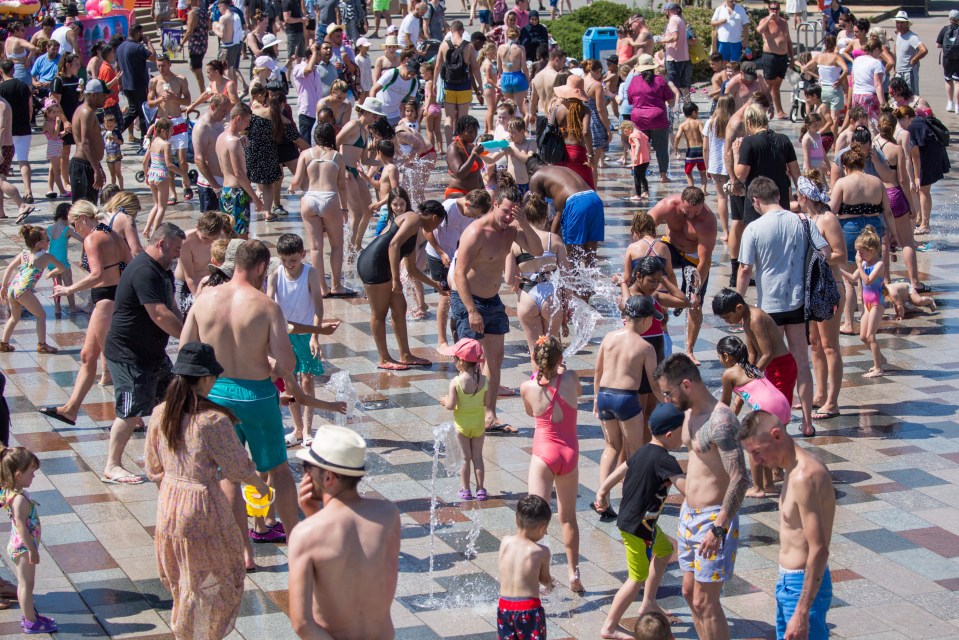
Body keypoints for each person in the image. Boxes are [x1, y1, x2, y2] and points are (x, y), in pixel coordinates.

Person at [181, 240, 303, 570]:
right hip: (257, 396)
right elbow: (287, 363)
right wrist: (269, 363)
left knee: (228, 474)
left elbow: (185, 349)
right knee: (277, 468)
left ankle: (244, 553)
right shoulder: (265, 306)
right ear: (262, 267)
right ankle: (295, 546)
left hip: (216, 394)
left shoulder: (204, 300)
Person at [144, 342, 270, 640]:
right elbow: (239, 468)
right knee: (224, 577)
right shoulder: (213, 420)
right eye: (213, 375)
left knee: (183, 581)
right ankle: (197, 635)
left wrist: (174, 490)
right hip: (202, 505)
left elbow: (152, 467)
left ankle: (185, 632)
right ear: (203, 379)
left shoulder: (160, 413)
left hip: (169, 504)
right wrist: (262, 487)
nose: (215, 380)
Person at [653, 353, 749, 640]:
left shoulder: (721, 421)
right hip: (688, 516)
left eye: (668, 393)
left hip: (713, 520)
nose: (666, 399)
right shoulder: (689, 414)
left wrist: (719, 527)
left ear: (686, 385)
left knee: (706, 601)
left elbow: (741, 478)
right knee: (689, 593)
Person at [737, 178, 830, 437]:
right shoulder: (802, 221)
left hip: (769, 306)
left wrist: (738, 300)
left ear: (755, 200)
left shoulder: (753, 229)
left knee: (771, 364)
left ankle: (773, 419)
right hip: (799, 301)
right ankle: (808, 422)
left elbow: (745, 269)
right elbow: (825, 251)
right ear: (779, 195)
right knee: (801, 361)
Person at [288, 426, 401, 639]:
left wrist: (312, 518)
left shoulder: (306, 534)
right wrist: (315, 515)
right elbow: (359, 576)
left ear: (328, 477)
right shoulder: (388, 516)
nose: (304, 474)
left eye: (307, 467)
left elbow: (302, 623)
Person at [738, 410, 835, 640]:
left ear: (777, 435)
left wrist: (802, 610)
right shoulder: (792, 471)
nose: (757, 461)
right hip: (788, 583)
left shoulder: (804, 476)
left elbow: (819, 548)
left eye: (757, 452)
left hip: (802, 584)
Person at [594, 402, 687, 640]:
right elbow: (686, 489)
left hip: (642, 522)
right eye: (683, 430)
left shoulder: (644, 450)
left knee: (665, 551)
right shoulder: (667, 461)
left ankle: (648, 603)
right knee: (636, 578)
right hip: (637, 529)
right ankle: (610, 627)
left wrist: (602, 490)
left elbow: (621, 469)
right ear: (670, 434)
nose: (685, 436)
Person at [453, 184, 542, 432]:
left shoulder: (511, 231)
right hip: (469, 300)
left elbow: (537, 250)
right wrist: (471, 310)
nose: (507, 217)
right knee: (469, 362)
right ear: (495, 205)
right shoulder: (477, 232)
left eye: (513, 213)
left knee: (495, 359)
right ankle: (467, 416)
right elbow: (459, 273)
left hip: (492, 301)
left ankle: (490, 415)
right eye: (505, 211)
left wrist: (523, 223)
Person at [102, 224, 185, 485]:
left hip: (152, 354)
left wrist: (188, 329)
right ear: (161, 244)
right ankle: (112, 465)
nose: (178, 256)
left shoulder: (163, 270)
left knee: (174, 398)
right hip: (128, 355)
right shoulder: (143, 271)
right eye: (176, 250)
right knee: (130, 412)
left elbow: (171, 305)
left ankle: (170, 453)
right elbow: (158, 313)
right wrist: (187, 338)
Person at [41, 202, 132, 427]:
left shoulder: (92, 239)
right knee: (87, 356)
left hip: (105, 301)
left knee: (115, 360)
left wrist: (69, 289)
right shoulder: (113, 234)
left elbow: (96, 274)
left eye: (74, 224)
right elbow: (129, 265)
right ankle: (70, 410)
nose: (75, 229)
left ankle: (133, 416)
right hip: (115, 296)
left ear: (82, 218)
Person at [521, 335, 584, 593]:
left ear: (534, 358)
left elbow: (529, 412)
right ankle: (573, 573)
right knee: (568, 518)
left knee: (536, 518)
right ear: (561, 359)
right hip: (569, 453)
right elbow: (577, 394)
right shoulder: (571, 379)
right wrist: (562, 372)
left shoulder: (527, 387)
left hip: (543, 455)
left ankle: (536, 574)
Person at [357, 195, 446, 370]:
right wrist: (396, 279)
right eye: (438, 225)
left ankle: (405, 354)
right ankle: (384, 359)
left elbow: (412, 269)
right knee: (379, 313)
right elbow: (393, 245)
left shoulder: (416, 230)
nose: (436, 229)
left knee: (400, 308)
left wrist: (436, 285)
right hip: (373, 264)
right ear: (435, 218)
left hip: (383, 267)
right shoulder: (413, 218)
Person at [592, 295, 663, 511]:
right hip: (627, 398)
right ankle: (630, 498)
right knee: (635, 452)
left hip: (605, 395)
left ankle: (601, 500)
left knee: (611, 447)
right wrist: (668, 402)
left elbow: (598, 371)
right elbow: (653, 383)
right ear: (644, 319)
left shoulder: (609, 338)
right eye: (652, 319)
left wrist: (596, 398)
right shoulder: (645, 346)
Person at [267, 233, 327, 445]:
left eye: (293, 260)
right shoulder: (275, 275)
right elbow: (268, 305)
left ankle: (309, 429)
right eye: (284, 260)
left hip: (305, 335)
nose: (289, 264)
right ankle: (298, 428)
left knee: (307, 380)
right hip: (284, 337)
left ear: (302, 254)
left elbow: (319, 307)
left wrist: (315, 336)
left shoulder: (310, 273)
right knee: (289, 383)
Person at [648, 188, 716, 364]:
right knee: (657, 288)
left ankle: (689, 350)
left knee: (695, 302)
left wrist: (695, 288)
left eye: (697, 212)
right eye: (688, 211)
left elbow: (705, 260)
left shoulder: (707, 222)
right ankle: (661, 334)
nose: (692, 216)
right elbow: (643, 228)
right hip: (670, 247)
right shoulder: (667, 206)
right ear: (681, 203)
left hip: (694, 256)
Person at [716, 335, 790, 497]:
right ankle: (775, 476)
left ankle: (759, 488)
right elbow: (738, 402)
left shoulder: (729, 374)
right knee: (769, 441)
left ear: (726, 356)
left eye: (719, 357)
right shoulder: (752, 368)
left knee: (753, 445)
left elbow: (725, 403)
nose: (720, 361)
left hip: (768, 408)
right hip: (783, 405)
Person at [0, 446, 58, 633]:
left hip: (18, 545)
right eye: (31, 473)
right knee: (26, 584)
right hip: (24, 548)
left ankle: (30, 616)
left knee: (26, 583)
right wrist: (32, 549)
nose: (33, 477)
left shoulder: (8, 490)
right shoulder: (19, 500)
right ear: (18, 474)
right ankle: (30, 621)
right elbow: (21, 526)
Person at [289, 123, 351, 297]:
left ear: (315, 136)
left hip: (310, 198)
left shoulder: (305, 154)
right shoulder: (337, 157)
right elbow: (342, 186)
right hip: (329, 198)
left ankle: (322, 288)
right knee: (337, 245)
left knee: (315, 248)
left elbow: (296, 180)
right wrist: (344, 208)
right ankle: (337, 285)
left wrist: (292, 188)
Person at [425, 189, 491, 353]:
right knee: (445, 296)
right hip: (438, 255)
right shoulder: (447, 208)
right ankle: (442, 341)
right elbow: (426, 230)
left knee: (459, 295)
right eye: (472, 214)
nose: (473, 218)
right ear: (467, 203)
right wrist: (441, 252)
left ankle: (459, 339)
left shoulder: (474, 211)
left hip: (457, 257)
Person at [0, 226, 66, 354]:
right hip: (24, 290)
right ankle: (42, 345)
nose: (49, 241)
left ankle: (4, 343)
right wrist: (52, 272)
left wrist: (3, 286)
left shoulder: (24, 254)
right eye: (47, 239)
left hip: (13, 288)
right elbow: (62, 267)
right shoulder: (47, 257)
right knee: (41, 315)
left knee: (14, 317)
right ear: (39, 244)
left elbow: (9, 268)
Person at [495, 494, 553, 640]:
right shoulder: (541, 552)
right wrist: (550, 585)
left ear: (516, 519)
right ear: (543, 528)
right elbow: (544, 579)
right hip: (528, 609)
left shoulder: (505, 542)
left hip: (504, 606)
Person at [439, 337, 489, 501]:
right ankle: (481, 490)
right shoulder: (483, 380)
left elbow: (451, 406)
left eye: (454, 358)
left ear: (461, 361)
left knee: (465, 458)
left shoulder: (456, 382)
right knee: (478, 458)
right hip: (478, 425)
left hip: (462, 426)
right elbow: (487, 402)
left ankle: (466, 490)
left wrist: (445, 400)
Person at [733, 104, 799, 227]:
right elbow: (796, 174)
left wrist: (736, 154)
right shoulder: (784, 139)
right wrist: (801, 196)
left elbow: (740, 175)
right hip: (780, 200)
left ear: (748, 121)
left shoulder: (749, 142)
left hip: (758, 203)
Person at [895, 106, 949, 236]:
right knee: (918, 189)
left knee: (923, 189)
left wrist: (917, 176)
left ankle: (925, 224)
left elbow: (915, 155)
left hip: (929, 156)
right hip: (928, 153)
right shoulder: (905, 127)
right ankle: (919, 219)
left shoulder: (910, 127)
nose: (912, 121)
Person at [841, 226, 886, 378]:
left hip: (876, 304)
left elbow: (867, 279)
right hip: (866, 305)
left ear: (872, 250)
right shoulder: (865, 264)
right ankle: (880, 358)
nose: (858, 255)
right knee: (862, 336)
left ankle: (878, 368)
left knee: (871, 335)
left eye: (861, 251)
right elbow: (854, 278)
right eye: (857, 251)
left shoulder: (878, 264)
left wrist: (859, 265)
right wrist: (837, 268)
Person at [217, 103, 266, 238]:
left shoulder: (221, 137)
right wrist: (255, 197)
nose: (248, 125)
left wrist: (240, 142)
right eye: (247, 121)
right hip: (237, 193)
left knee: (227, 234)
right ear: (238, 118)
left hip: (225, 191)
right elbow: (239, 173)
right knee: (241, 237)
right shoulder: (233, 142)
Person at [627, 55, 673, 184]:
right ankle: (663, 176)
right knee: (661, 148)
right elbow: (670, 98)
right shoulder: (660, 80)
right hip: (658, 118)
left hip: (639, 119)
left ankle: (638, 173)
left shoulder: (634, 81)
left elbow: (630, 100)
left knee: (639, 147)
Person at [174, 212, 230, 317]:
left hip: (209, 280)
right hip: (186, 283)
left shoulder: (221, 237)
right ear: (197, 228)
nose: (209, 242)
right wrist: (198, 298)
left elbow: (225, 266)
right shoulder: (186, 241)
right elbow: (189, 277)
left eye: (213, 238)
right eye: (205, 238)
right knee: (183, 317)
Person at [0, 60, 34, 205]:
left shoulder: (1, 88)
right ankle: (28, 190)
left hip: (6, 130)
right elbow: (30, 106)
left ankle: (7, 195)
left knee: (2, 170)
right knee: (23, 161)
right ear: (13, 70)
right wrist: (28, 120)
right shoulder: (23, 86)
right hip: (23, 128)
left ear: (1, 71)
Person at [71, 79, 109, 204]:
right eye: (103, 95)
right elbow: (85, 142)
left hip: (88, 164)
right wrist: (96, 170)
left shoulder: (85, 110)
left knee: (90, 208)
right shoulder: (86, 112)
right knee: (85, 211)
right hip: (83, 166)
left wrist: (97, 166)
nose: (105, 98)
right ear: (93, 95)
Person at [117, 24, 157, 142]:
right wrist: (148, 42)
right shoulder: (137, 47)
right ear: (138, 33)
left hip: (126, 85)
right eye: (142, 34)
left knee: (133, 111)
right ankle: (145, 139)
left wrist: (120, 83)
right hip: (138, 85)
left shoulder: (120, 47)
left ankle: (117, 131)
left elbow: (117, 66)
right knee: (143, 112)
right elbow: (153, 57)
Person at [756, 1, 793, 120]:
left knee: (776, 86)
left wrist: (792, 57)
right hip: (770, 57)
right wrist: (769, 18)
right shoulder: (765, 21)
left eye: (776, 9)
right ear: (768, 10)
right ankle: (760, 109)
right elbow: (759, 30)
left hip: (782, 58)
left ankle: (780, 111)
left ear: (779, 9)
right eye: (772, 9)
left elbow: (788, 41)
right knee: (767, 86)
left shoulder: (784, 22)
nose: (774, 11)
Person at [0, 96, 34, 222]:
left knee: (0, 181)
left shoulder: (1, 105)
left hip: (3, 147)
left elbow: (2, 128)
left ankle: (22, 204)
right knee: (1, 179)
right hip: (6, 147)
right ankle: (1, 211)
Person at [661, 3, 691, 105]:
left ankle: (673, 110)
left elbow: (675, 37)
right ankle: (688, 108)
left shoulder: (673, 20)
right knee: (683, 85)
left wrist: (661, 40)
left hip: (673, 58)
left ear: (667, 11)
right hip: (683, 57)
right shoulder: (680, 20)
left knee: (672, 85)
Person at [674, 102, 706, 190]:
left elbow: (677, 136)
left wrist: (675, 148)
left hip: (691, 151)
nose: (698, 114)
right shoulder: (698, 122)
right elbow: (703, 134)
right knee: (703, 172)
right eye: (697, 112)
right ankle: (703, 190)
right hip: (701, 150)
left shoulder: (683, 125)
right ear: (693, 112)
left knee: (688, 172)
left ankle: (691, 189)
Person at [893, 11, 926, 98]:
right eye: (897, 22)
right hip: (899, 72)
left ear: (907, 24)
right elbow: (896, 47)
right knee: (899, 97)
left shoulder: (912, 37)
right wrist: (895, 67)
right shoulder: (899, 34)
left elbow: (923, 50)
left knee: (912, 97)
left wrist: (914, 59)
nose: (899, 25)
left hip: (908, 72)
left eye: (902, 23)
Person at [937, 9, 959, 113]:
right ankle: (958, 106)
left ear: (949, 18)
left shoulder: (944, 29)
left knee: (948, 80)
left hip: (947, 59)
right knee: (957, 82)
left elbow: (938, 44)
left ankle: (950, 103)